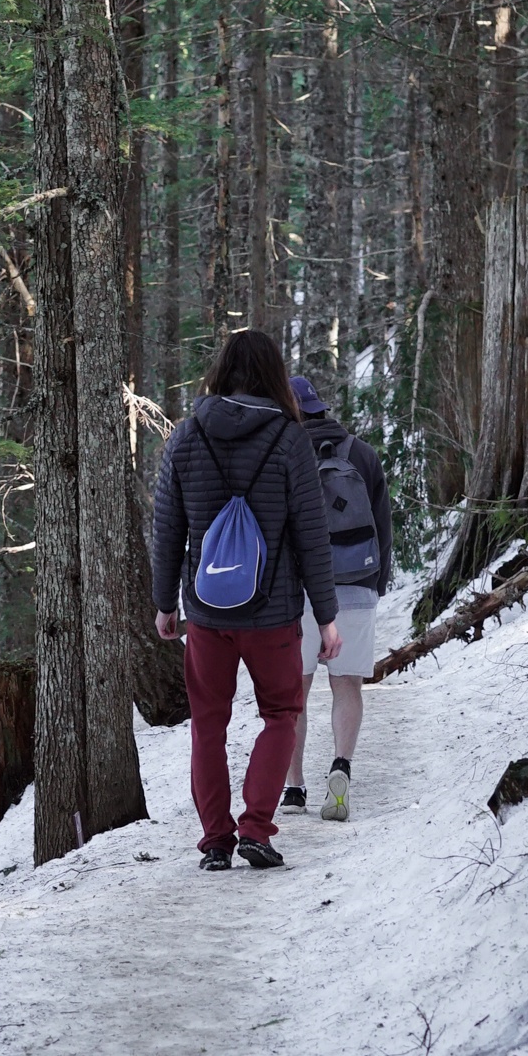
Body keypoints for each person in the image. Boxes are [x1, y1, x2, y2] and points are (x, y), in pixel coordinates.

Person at [152, 331, 342, 872]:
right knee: (281, 714)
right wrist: (327, 616)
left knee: (207, 724)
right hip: (274, 613)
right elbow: (311, 535)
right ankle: (256, 829)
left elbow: (168, 530)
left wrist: (166, 603)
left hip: (207, 614)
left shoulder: (186, 437)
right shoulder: (289, 439)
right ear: (274, 375)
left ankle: (215, 841)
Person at [281, 375, 393, 822]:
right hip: (356, 584)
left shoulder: (285, 453)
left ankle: (293, 788)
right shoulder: (361, 453)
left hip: (300, 592)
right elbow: (383, 525)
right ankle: (340, 767)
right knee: (346, 686)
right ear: (320, 407)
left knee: (295, 694)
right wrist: (375, 583)